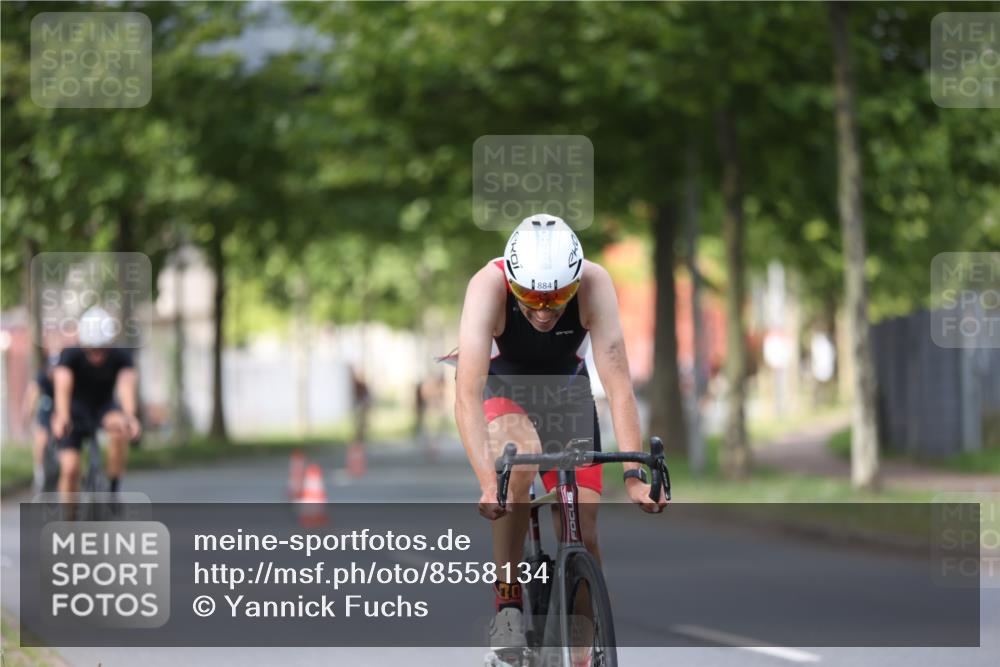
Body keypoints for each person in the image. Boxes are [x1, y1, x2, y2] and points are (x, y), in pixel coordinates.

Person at [455, 215, 666, 656]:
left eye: (557, 298)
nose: (544, 311)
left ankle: (583, 654)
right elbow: (467, 395)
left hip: (565, 391)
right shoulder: (486, 287)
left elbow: (618, 382)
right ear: (513, 282)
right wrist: (485, 481)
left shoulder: (595, 283)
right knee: (522, 461)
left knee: (584, 529)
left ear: (574, 282)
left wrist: (633, 476)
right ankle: (509, 602)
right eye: (531, 297)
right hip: (503, 387)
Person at [50, 306, 141, 499]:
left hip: (104, 409)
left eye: (102, 350)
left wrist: (130, 416)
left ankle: (113, 489)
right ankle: (68, 523)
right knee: (70, 467)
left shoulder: (121, 356)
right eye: (92, 350)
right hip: (74, 411)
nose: (97, 355)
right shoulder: (70, 355)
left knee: (119, 429)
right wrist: (62, 416)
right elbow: (62, 387)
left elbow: (126, 387)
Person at [22, 349, 59, 493]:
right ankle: (39, 473)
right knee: (41, 437)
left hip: (64, 408)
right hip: (48, 406)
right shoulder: (41, 377)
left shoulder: (67, 376)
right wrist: (28, 414)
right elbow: (32, 394)